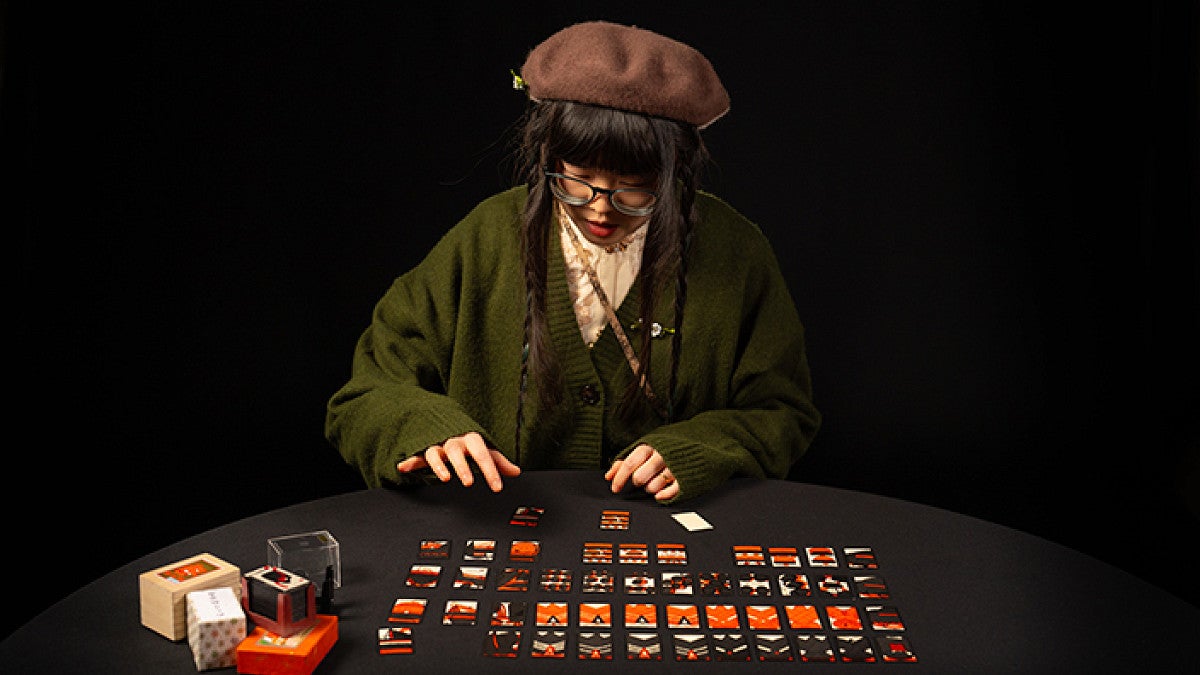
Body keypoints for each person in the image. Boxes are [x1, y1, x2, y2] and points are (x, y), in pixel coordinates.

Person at [324, 20, 820, 503]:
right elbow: (367, 391)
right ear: (550, 156)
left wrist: (699, 448)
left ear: (674, 174)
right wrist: (428, 430)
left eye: (634, 187)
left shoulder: (736, 252)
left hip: (667, 551)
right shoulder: (485, 239)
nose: (601, 207)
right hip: (500, 541)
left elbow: (782, 410)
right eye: (577, 179)